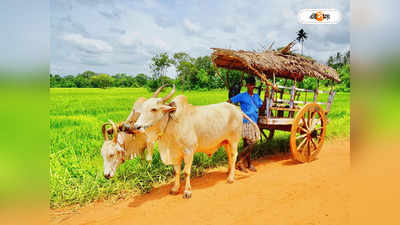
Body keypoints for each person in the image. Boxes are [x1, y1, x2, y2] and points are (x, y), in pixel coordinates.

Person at [228, 76, 265, 172]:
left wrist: (267, 96)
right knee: (253, 142)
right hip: (245, 122)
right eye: (249, 85)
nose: (251, 87)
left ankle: (248, 164)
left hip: (254, 122)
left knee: (247, 144)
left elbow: (262, 106)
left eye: (252, 85)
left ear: (254, 86)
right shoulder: (242, 96)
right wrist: (236, 111)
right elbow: (229, 101)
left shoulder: (256, 97)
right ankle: (240, 160)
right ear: (246, 85)